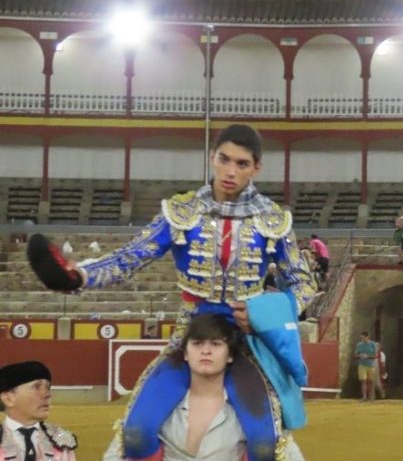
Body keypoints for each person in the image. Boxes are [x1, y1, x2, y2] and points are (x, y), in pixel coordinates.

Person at [26, 124, 315, 461]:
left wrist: (261, 314)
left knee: (265, 445)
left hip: (246, 339)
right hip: (190, 333)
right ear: (212, 158)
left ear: (256, 168)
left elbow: (305, 284)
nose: (230, 171)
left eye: (241, 164)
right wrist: (79, 276)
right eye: (224, 160)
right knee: (136, 432)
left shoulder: (273, 220)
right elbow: (130, 257)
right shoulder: (182, 213)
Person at [104, 313, 303, 460]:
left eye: (216, 344)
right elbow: (115, 456)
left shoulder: (255, 410)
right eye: (198, 343)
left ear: (230, 355)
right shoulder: (157, 405)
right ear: (185, 353)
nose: (206, 351)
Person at [0, 361, 77, 460]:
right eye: (36, 387)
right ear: (8, 399)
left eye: (47, 387)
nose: (48, 394)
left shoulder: (61, 440)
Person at [355, 332, 379, 402]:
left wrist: (367, 356)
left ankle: (371, 397)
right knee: (363, 381)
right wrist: (360, 356)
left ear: (368, 337)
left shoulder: (373, 344)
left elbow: (376, 356)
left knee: (370, 381)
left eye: (363, 337)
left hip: (371, 365)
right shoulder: (359, 345)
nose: (362, 339)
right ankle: (364, 397)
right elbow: (356, 354)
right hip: (362, 365)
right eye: (361, 338)